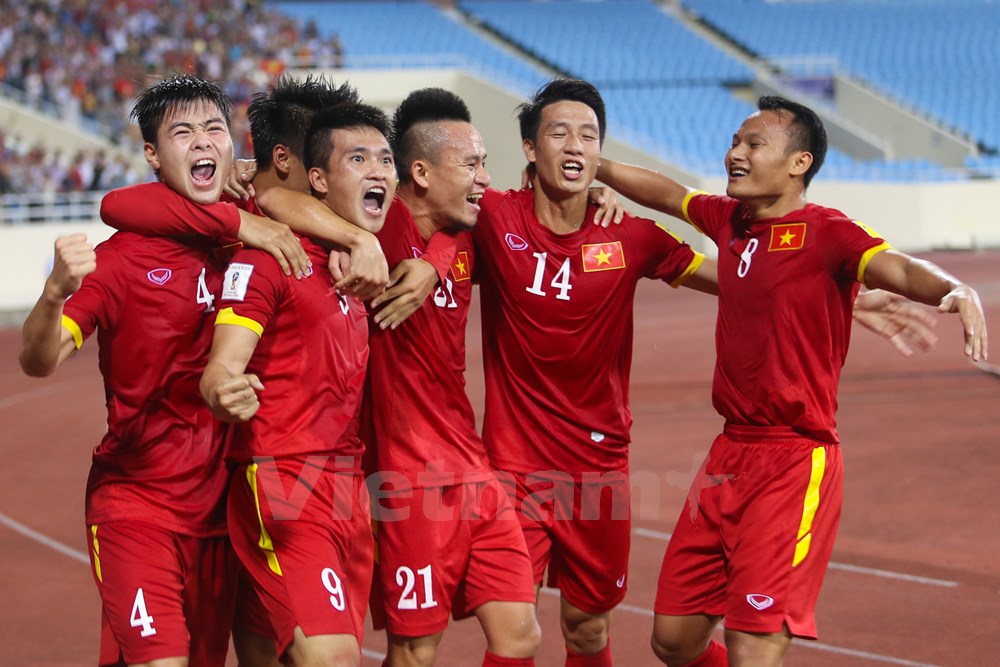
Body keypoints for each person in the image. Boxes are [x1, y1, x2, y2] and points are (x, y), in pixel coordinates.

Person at [594, 95, 987, 666]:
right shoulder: (728, 219)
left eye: (754, 144)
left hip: (794, 460)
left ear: (799, 163)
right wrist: (594, 164)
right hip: (729, 453)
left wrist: (955, 290)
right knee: (673, 641)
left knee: (753, 644)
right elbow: (667, 194)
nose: (736, 153)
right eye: (735, 142)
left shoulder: (828, 231)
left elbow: (897, 267)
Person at [472, 78, 719, 667]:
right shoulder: (493, 217)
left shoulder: (629, 236)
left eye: (589, 135)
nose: (575, 145)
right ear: (531, 148)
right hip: (512, 467)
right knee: (512, 629)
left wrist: (843, 293)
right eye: (559, 132)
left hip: (597, 468)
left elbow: (734, 280)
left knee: (586, 629)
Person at [18, 74, 246, 667]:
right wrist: (52, 294)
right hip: (137, 504)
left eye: (214, 129)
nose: (202, 142)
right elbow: (39, 361)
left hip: (225, 512)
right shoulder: (118, 262)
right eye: (183, 132)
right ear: (152, 154)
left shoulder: (249, 239)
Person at [199, 100, 397, 667]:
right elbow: (223, 363)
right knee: (332, 657)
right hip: (284, 478)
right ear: (316, 176)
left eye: (385, 159)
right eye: (358, 159)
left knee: (279, 655)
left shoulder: (352, 258)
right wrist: (222, 386)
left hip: (348, 488)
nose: (378, 171)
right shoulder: (271, 259)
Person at [364, 88, 540, 667]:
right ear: (419, 171)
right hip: (405, 478)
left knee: (520, 635)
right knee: (415, 652)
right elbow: (280, 199)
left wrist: (436, 258)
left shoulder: (460, 235)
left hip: (472, 468)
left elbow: (505, 228)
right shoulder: (375, 226)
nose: (485, 177)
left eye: (485, 163)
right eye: (472, 164)